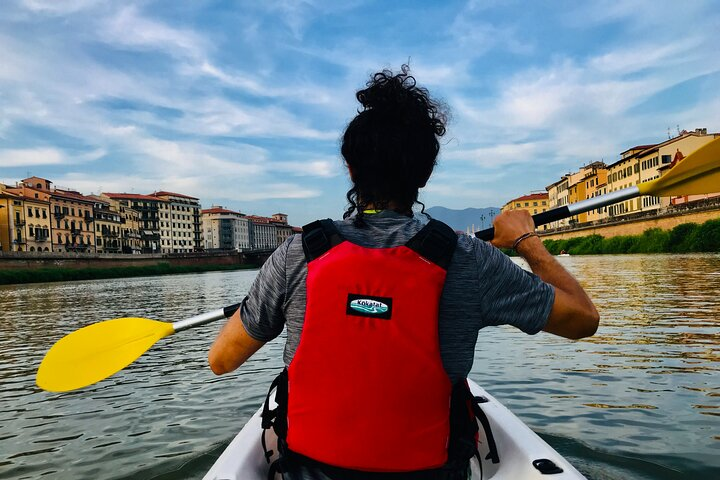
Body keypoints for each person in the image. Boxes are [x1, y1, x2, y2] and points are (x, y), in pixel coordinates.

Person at [208, 65, 599, 479]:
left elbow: (222, 360)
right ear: (425, 174)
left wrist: (261, 304)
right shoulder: (469, 258)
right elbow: (583, 320)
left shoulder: (296, 254)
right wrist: (526, 240)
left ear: (351, 169)